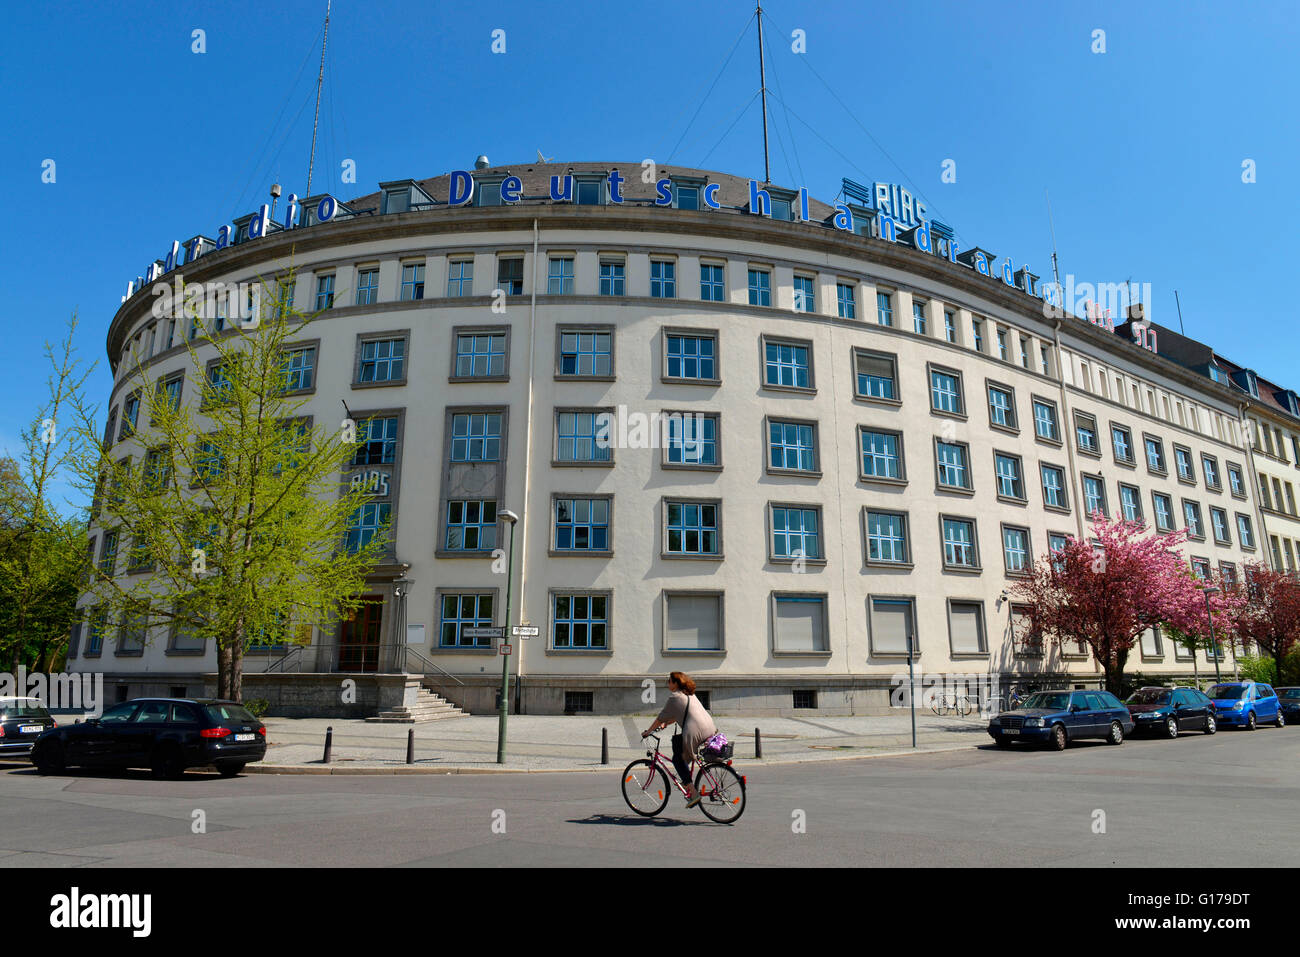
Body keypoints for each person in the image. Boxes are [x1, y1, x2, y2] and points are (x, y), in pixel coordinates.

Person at [642, 671, 717, 808]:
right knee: (681, 752)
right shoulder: (689, 694)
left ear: (675, 683)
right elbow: (678, 713)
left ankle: (693, 793)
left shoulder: (675, 697)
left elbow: (660, 718)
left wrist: (648, 731)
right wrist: (666, 724)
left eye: (669, 681)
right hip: (710, 727)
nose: (668, 684)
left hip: (696, 731)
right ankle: (686, 781)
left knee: (677, 759)